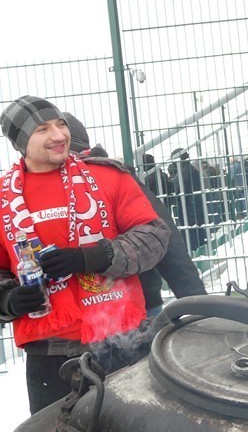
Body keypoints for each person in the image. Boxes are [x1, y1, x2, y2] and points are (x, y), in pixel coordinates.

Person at [0, 96, 171, 414]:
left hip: (120, 340)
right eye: (42, 129)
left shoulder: (107, 177)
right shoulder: (2, 198)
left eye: (60, 124)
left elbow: (155, 237)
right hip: (48, 352)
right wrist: (6, 301)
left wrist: (93, 257)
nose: (58, 135)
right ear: (21, 142)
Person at [63, 113, 207, 319]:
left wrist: (199, 305)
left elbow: (165, 239)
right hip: (69, 320)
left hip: (135, 308)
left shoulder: (114, 178)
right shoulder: (36, 191)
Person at [169, 148, 207, 252]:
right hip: (197, 209)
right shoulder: (193, 170)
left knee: (190, 240)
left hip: (187, 211)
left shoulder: (181, 174)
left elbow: (179, 194)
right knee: (199, 238)